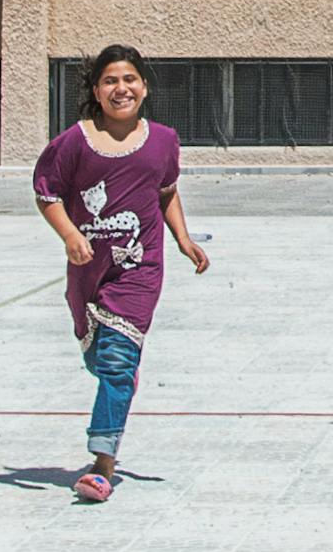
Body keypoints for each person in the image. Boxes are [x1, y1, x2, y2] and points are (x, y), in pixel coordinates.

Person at [32, 45, 208, 504]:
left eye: (129, 79)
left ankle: (101, 464)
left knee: (115, 362)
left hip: (139, 269)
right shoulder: (74, 142)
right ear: (96, 90)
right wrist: (70, 236)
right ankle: (118, 384)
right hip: (88, 273)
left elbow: (166, 191)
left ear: (144, 87)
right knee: (101, 361)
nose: (121, 88)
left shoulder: (163, 140)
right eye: (110, 80)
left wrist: (182, 239)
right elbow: (47, 195)